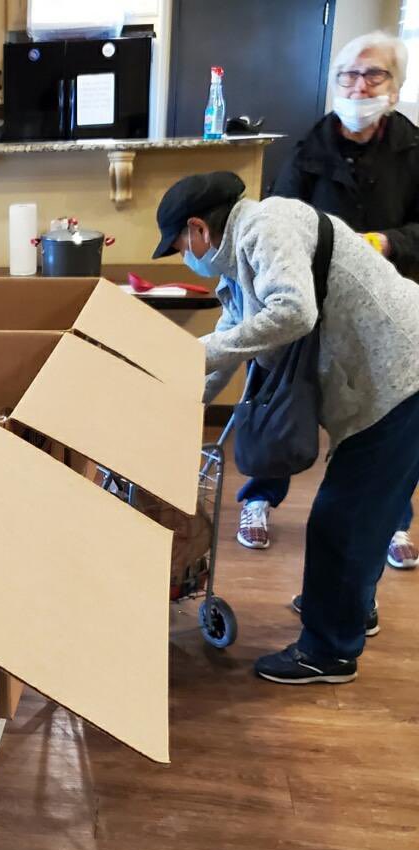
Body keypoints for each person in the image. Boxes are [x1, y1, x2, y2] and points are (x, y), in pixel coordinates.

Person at [152, 171, 419, 684]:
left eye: (180, 246)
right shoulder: (239, 263)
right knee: (366, 512)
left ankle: (328, 652)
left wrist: (195, 351)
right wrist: (179, 405)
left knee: (342, 518)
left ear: (198, 230)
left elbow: (293, 312)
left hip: (399, 377)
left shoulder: (265, 225)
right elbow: (231, 344)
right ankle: (351, 608)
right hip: (378, 383)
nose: (185, 255)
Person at [235, 31, 419, 571]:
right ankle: (258, 500)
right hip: (315, 307)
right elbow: (276, 220)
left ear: (396, 83)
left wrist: (389, 242)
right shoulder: (307, 153)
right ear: (334, 81)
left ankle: (393, 520)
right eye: (349, 75)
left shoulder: (414, 153)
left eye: (374, 74)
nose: (359, 86)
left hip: (389, 310)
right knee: (281, 399)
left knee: (382, 420)